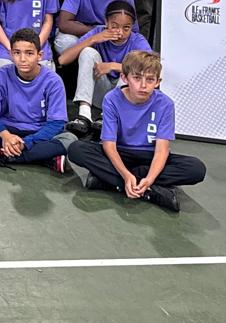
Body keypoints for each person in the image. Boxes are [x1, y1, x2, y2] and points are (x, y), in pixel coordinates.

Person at [67, 50, 205, 212]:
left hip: (149, 157)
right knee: (77, 149)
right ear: (125, 78)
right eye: (137, 78)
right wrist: (126, 175)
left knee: (196, 168)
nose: (143, 85)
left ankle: (110, 182)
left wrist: (150, 178)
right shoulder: (112, 98)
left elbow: (162, 150)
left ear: (158, 82)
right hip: (120, 152)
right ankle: (150, 191)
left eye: (150, 79)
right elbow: (109, 144)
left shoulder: (165, 104)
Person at [0, 29, 75, 172]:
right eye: (17, 53)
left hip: (39, 132)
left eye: (29, 53)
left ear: (39, 55)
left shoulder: (53, 81)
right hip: (9, 129)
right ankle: (44, 158)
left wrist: (26, 143)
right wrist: (5, 135)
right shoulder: (1, 74)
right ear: (10, 54)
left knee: (70, 140)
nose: (22, 59)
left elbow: (56, 123)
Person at [57, 0, 151, 137]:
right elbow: (63, 59)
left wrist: (113, 66)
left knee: (131, 70)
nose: (120, 32)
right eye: (114, 26)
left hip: (124, 98)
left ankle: (107, 117)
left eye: (126, 28)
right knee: (87, 52)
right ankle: (84, 115)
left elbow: (151, 69)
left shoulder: (137, 40)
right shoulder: (98, 32)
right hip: (100, 92)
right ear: (106, 22)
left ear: (132, 27)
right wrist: (93, 39)